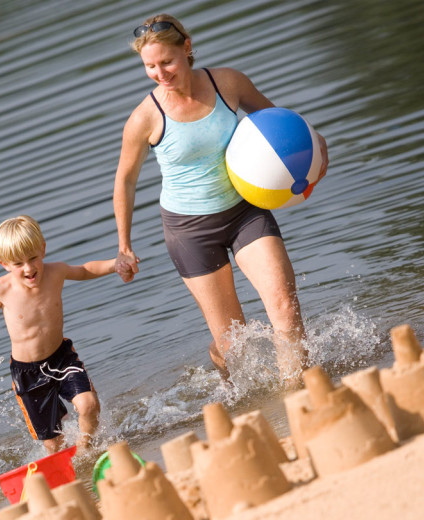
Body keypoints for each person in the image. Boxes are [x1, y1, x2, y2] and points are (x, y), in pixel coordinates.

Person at [112, 14, 329, 384]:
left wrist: (313, 148)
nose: (160, 73)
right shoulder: (145, 118)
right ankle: (221, 358)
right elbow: (126, 181)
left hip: (246, 212)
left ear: (187, 48)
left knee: (285, 308)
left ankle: (301, 394)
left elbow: (278, 122)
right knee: (235, 347)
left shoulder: (227, 82)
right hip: (189, 230)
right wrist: (124, 246)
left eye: (167, 61)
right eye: (150, 66)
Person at [0, 215, 115, 454]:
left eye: (33, 258)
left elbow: (85, 270)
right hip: (28, 373)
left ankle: (87, 450)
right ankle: (66, 465)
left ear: (43, 249)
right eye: (18, 264)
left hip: (61, 358)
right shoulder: (1, 288)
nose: (28, 268)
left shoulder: (56, 272)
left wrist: (115, 264)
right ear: (4, 263)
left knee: (88, 405)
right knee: (53, 442)